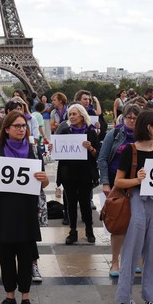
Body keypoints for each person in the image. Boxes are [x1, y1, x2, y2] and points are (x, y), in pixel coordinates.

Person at [0, 111, 50, 304]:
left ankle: (26, 299)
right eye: (17, 126)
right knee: (6, 257)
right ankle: (10, 297)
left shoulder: (33, 150)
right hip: (3, 211)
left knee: (25, 256)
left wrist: (44, 180)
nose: (21, 129)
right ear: (7, 129)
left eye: (23, 126)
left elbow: (43, 183)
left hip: (25, 211)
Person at [114, 110, 153, 304]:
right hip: (136, 201)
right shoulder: (130, 151)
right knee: (131, 252)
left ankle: (150, 298)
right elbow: (119, 181)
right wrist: (137, 180)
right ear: (149, 127)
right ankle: (125, 301)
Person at [97, 103, 140, 276]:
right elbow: (102, 158)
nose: (131, 120)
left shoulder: (144, 136)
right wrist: (106, 183)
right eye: (128, 117)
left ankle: (132, 260)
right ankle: (115, 262)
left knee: (135, 225)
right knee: (118, 224)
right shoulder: (114, 134)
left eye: (135, 118)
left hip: (138, 186)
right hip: (118, 185)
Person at [54, 104, 100, 245]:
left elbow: (97, 154)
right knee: (71, 203)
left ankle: (89, 229)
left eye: (74, 114)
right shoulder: (65, 131)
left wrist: (90, 147)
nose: (72, 117)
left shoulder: (91, 132)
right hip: (69, 173)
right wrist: (53, 148)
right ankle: (73, 231)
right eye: (70, 115)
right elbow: (58, 153)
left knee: (85, 203)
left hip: (85, 172)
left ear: (82, 115)